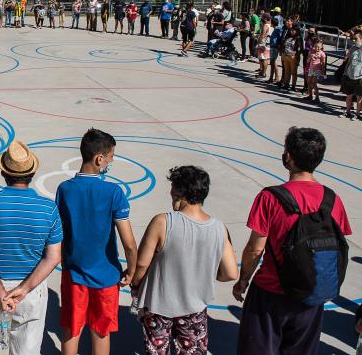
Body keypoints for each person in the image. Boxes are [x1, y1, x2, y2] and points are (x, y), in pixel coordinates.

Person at [234, 127, 351, 354]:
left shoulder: (270, 197)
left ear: (288, 157)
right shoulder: (332, 199)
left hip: (271, 292)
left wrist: (243, 280)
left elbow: (254, 249)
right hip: (311, 292)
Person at [131, 166, 238, 354]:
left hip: (158, 306)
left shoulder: (162, 222)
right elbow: (231, 273)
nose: (170, 192)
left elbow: (141, 264)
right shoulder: (220, 228)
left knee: (156, 350)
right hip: (194, 308)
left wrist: (136, 285)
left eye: (173, 187)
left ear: (181, 191)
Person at [0, 140, 62, 355]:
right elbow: (53, 257)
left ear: (3, 173)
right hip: (32, 288)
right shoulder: (49, 209)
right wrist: (24, 289)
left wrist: (0, 289)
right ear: (32, 173)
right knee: (26, 349)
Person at [56, 129, 138, 355]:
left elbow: (61, 232)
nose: (111, 161)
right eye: (111, 157)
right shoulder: (113, 192)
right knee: (101, 332)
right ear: (99, 159)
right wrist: (132, 271)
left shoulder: (64, 189)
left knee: (72, 330)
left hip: (73, 272)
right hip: (106, 276)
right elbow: (129, 243)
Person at [340, 29, 362, 120]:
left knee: (359, 97)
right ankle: (348, 112)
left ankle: (357, 114)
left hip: (360, 76)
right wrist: (345, 72)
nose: (354, 40)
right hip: (349, 74)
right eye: (353, 38)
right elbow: (348, 61)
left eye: (356, 39)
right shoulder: (352, 48)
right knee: (348, 95)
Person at [304, 39, 326, 104]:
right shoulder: (311, 52)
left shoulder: (322, 54)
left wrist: (323, 73)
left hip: (317, 70)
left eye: (319, 47)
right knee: (309, 82)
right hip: (311, 69)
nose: (317, 48)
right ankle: (310, 95)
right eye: (316, 46)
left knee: (314, 83)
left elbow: (323, 63)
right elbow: (307, 61)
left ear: (321, 47)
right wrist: (310, 57)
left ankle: (317, 97)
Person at [256, 13, 272, 78]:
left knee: (263, 59)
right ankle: (263, 72)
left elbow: (262, 35)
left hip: (263, 43)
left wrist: (259, 42)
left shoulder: (265, 25)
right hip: (268, 44)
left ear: (265, 19)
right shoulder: (271, 25)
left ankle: (263, 73)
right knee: (265, 58)